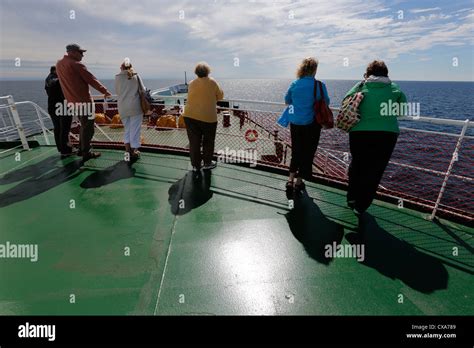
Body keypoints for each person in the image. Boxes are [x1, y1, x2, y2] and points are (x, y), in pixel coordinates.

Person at [345, 60, 407, 216]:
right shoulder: (394, 89)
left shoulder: (360, 86)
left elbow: (346, 101)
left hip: (359, 132)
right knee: (375, 170)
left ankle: (351, 197)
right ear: (386, 74)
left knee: (357, 164)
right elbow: (402, 112)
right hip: (386, 135)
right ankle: (362, 205)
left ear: (368, 73)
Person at [56, 43, 112, 162]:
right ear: (72, 52)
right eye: (81, 52)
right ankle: (86, 152)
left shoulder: (59, 64)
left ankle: (82, 149)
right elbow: (91, 79)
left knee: (83, 126)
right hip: (84, 102)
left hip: (72, 102)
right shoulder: (76, 64)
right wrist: (105, 91)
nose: (82, 55)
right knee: (88, 128)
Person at [284, 57, 330, 193]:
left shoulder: (295, 83)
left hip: (296, 123)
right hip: (312, 125)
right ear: (315, 70)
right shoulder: (320, 85)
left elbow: (287, 100)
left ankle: (290, 180)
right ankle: (299, 182)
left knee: (296, 151)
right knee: (308, 152)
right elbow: (325, 102)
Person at [182, 62, 224, 173]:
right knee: (208, 141)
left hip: (190, 116)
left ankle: (196, 165)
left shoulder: (191, 83)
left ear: (196, 72)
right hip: (208, 118)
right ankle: (207, 163)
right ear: (208, 72)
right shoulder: (212, 82)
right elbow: (220, 96)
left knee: (194, 142)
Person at [114, 60, 144, 160]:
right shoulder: (136, 76)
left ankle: (127, 152)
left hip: (122, 107)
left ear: (121, 67)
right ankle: (134, 152)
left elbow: (117, 91)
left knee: (127, 129)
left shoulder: (117, 77)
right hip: (135, 107)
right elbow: (143, 90)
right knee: (135, 130)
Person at [45, 66, 73, 157]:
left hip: (53, 107)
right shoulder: (54, 79)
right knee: (64, 129)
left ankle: (61, 149)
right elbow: (55, 83)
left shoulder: (48, 79)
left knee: (58, 129)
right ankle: (66, 150)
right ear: (55, 70)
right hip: (62, 107)